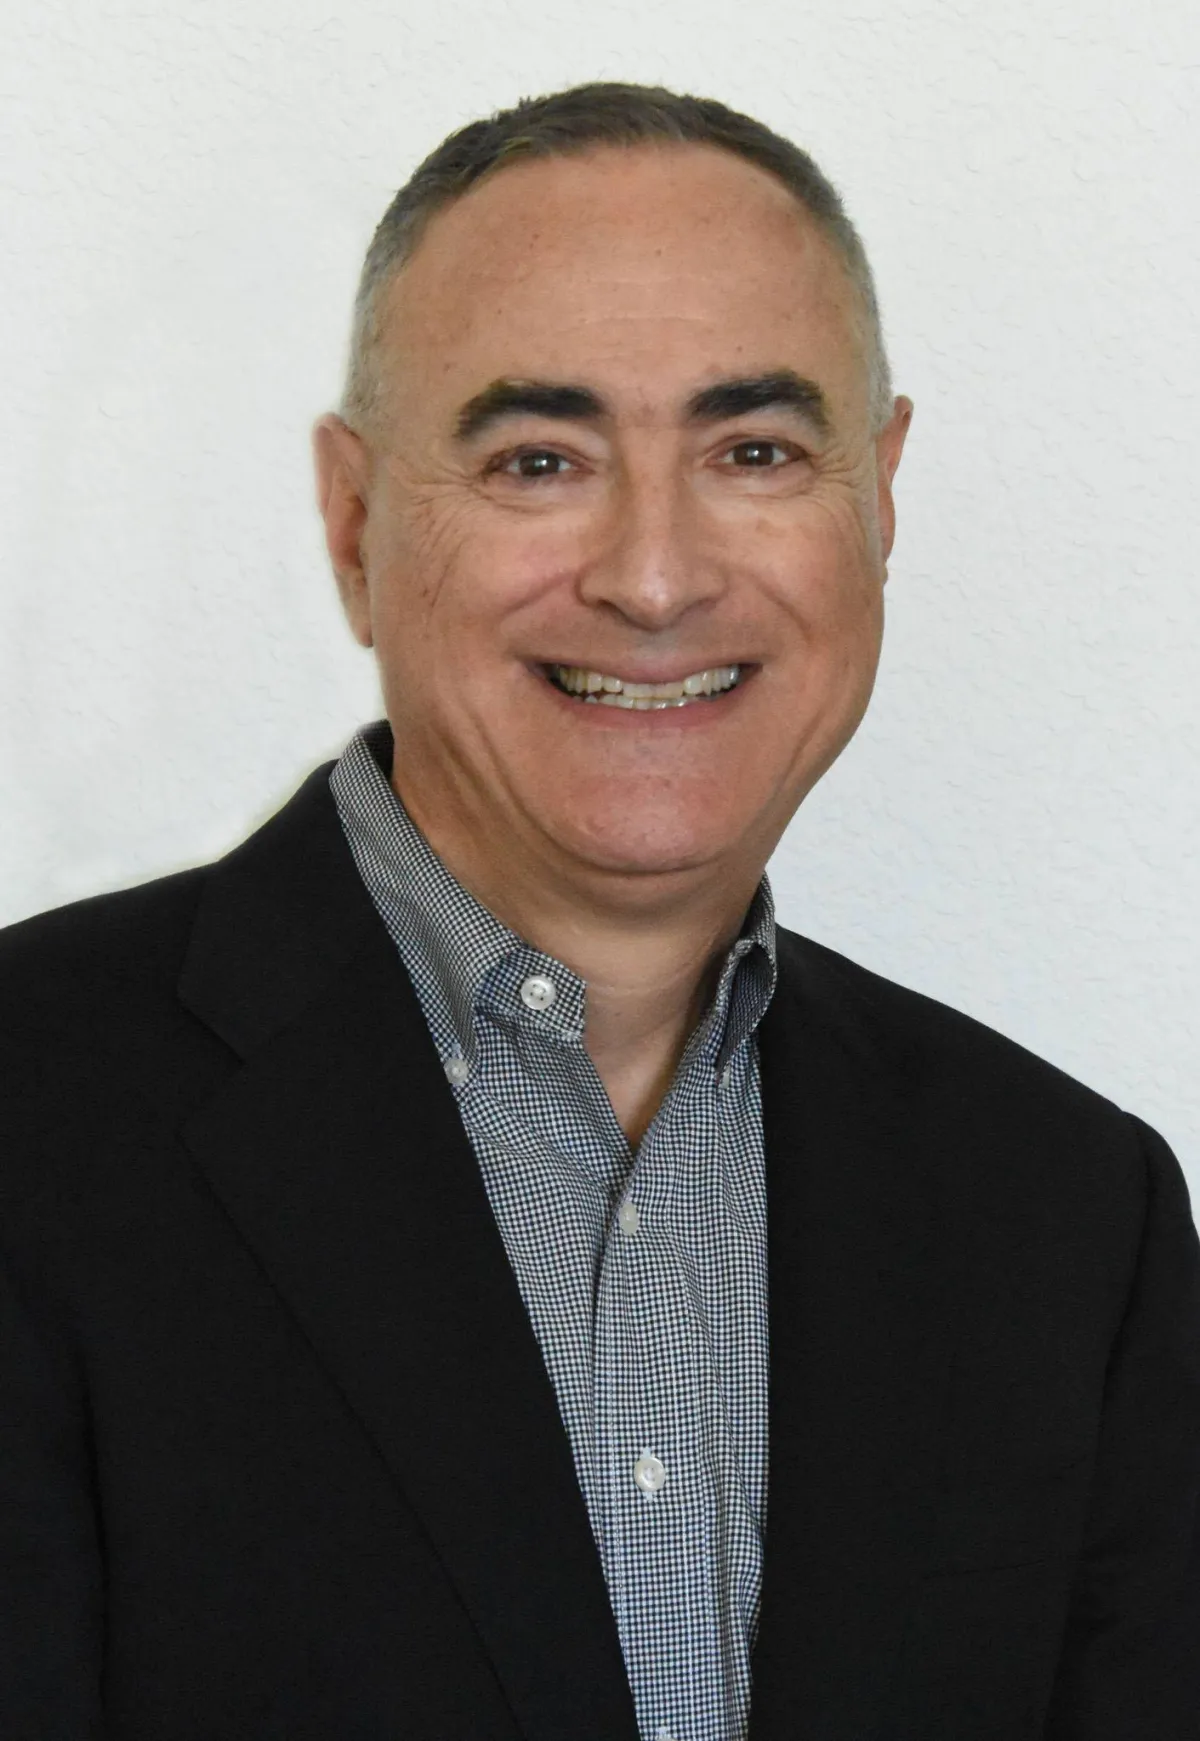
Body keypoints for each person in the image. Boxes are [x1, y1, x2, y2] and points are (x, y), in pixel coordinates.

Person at [1, 80, 1197, 1741]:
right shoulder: (27, 1118)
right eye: (539, 460)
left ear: (879, 499)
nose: (653, 575)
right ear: (353, 524)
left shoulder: (1071, 1219)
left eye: (755, 451)